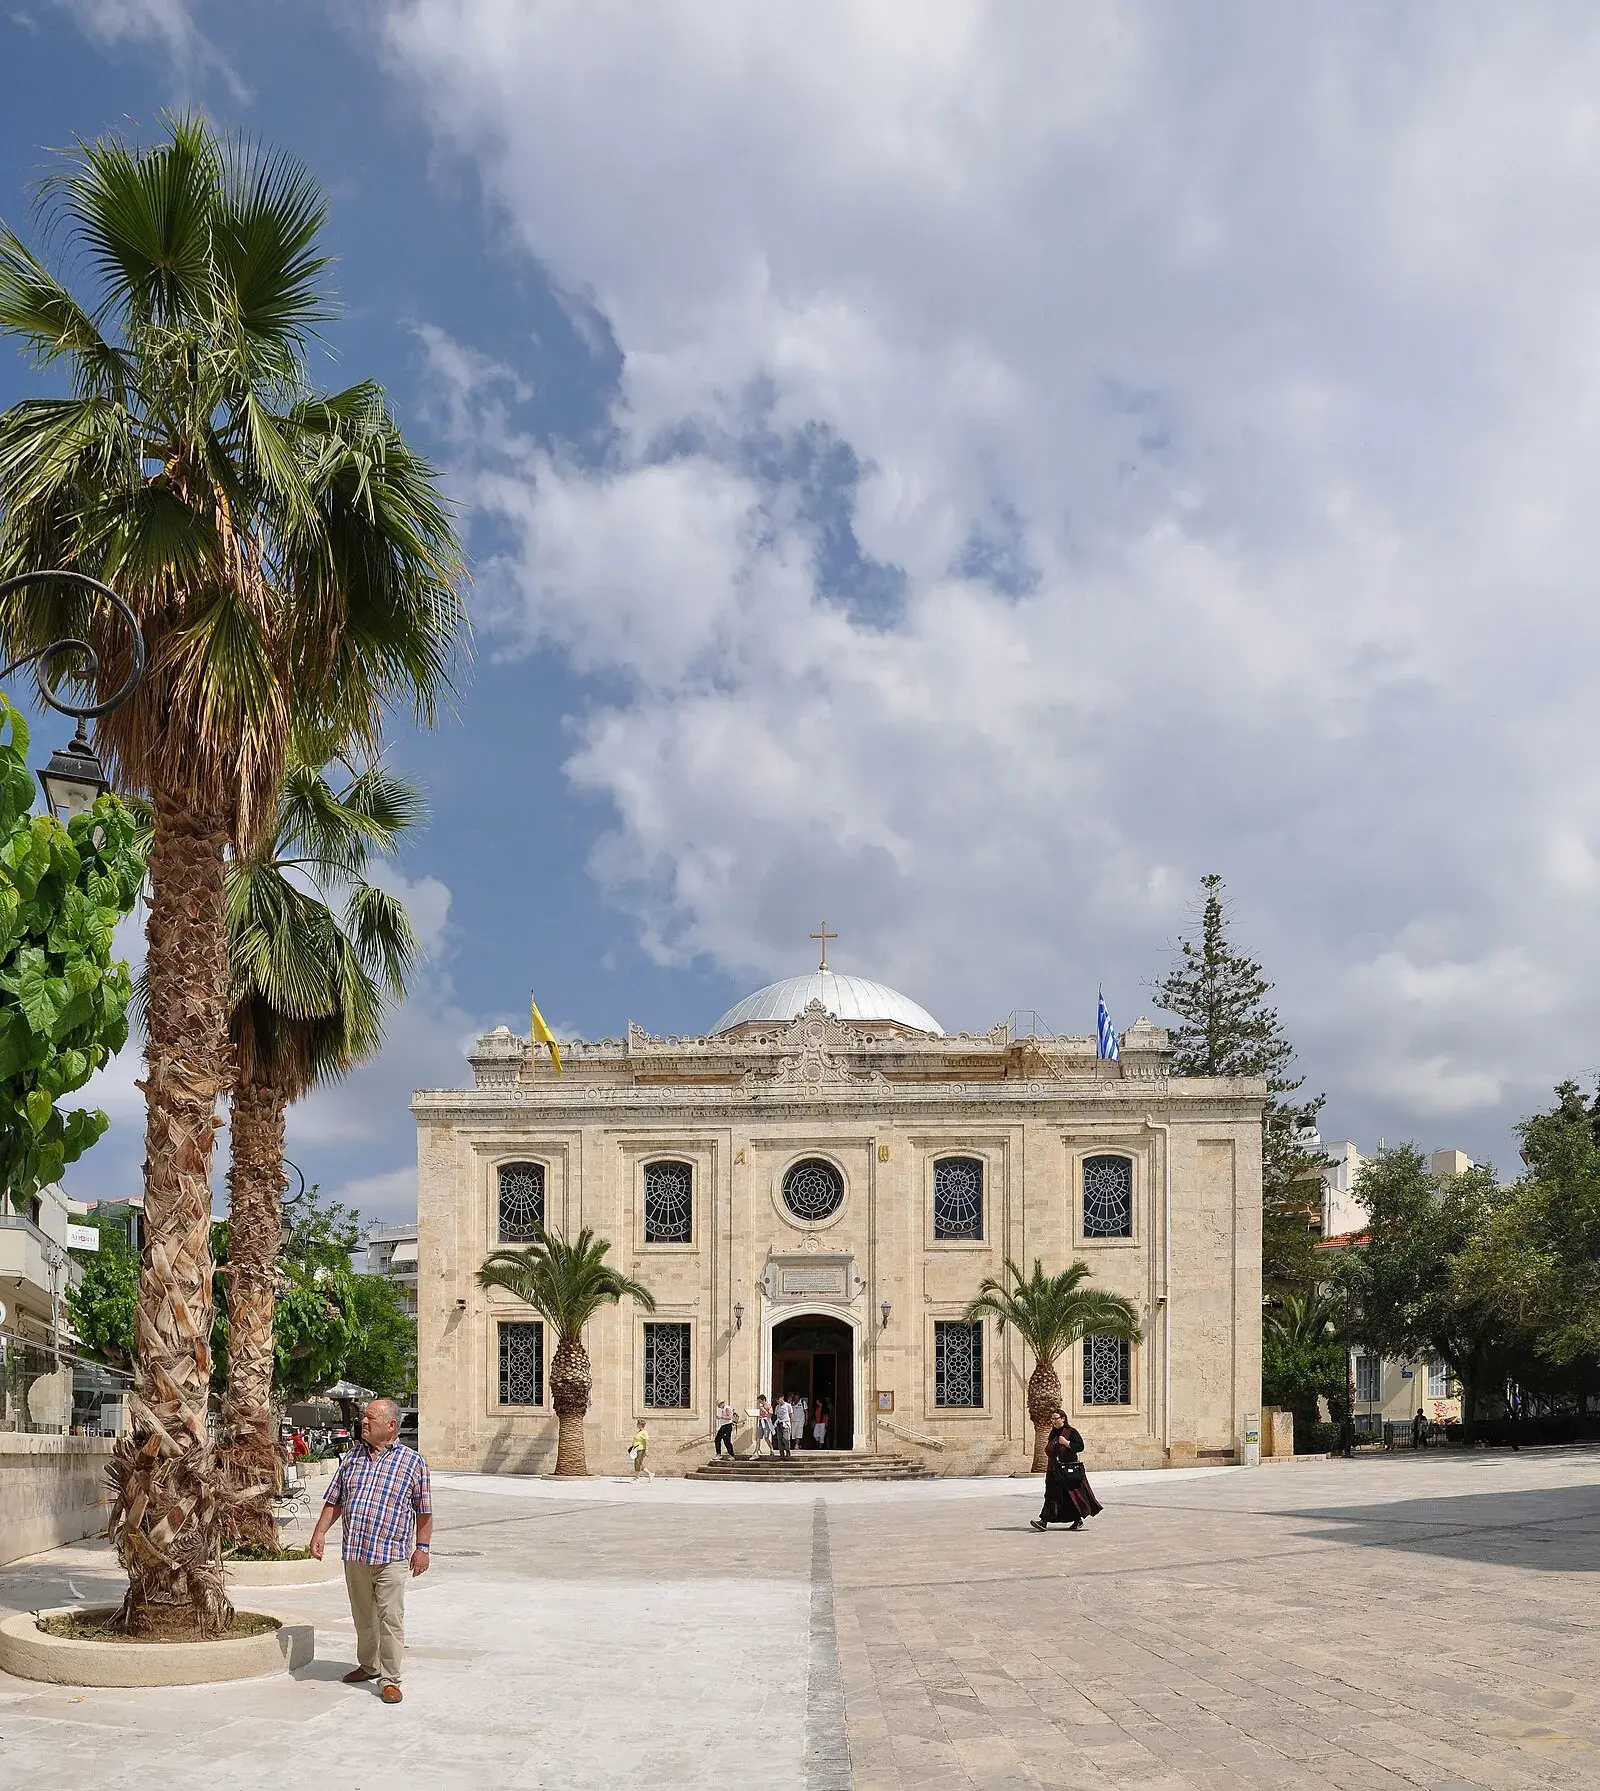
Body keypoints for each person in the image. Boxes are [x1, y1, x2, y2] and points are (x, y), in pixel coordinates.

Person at [308, 1396, 431, 1706]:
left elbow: (424, 1511)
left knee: (391, 1619)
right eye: (363, 1418)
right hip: (356, 1553)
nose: (363, 1422)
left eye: (371, 1419)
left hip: (391, 1556)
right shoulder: (351, 1458)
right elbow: (334, 1500)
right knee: (363, 1616)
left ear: (391, 1425)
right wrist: (320, 1532)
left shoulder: (412, 1463)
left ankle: (390, 1679)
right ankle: (368, 1665)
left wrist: (423, 1549)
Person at [1030, 1410, 1102, 1532]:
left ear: (1063, 1419)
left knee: (1070, 1496)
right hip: (1053, 1470)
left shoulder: (1071, 1432)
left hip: (1067, 1471)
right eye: (1052, 1419)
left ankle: (1077, 1520)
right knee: (1051, 1495)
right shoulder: (1053, 1433)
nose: (1053, 1421)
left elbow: (1080, 1447)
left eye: (1055, 1418)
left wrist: (1067, 1443)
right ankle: (1044, 1521)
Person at [774, 1396, 793, 1460]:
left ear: (782, 1398)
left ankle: (787, 1451)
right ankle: (781, 1454)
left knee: (786, 1439)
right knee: (780, 1440)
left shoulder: (788, 1405)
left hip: (786, 1424)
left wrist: (791, 1424)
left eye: (778, 1399)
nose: (778, 1401)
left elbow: (791, 1415)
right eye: (777, 1400)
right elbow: (776, 1416)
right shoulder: (777, 1407)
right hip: (779, 1424)